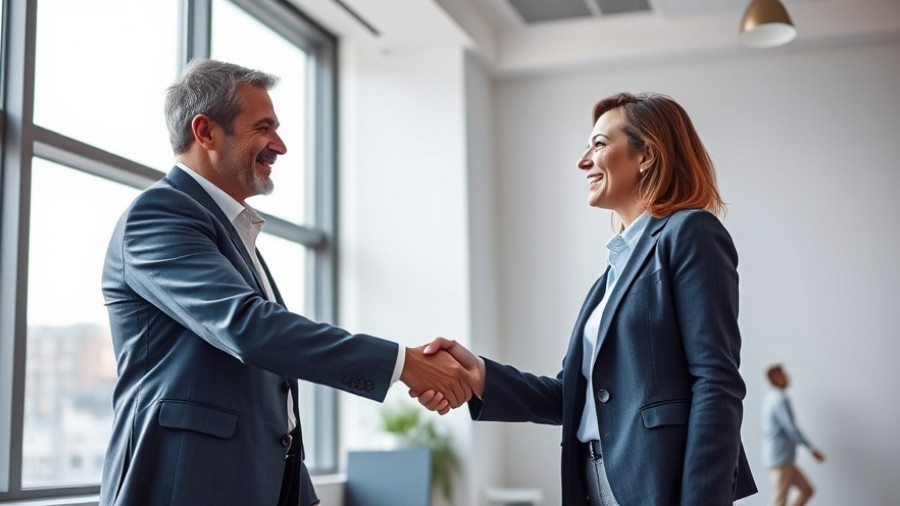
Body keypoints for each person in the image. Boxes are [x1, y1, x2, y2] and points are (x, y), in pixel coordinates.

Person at [98, 59, 472, 506]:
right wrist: (400, 363)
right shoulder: (159, 215)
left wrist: (300, 492)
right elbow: (250, 329)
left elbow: (268, 390)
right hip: (182, 484)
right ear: (206, 132)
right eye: (263, 127)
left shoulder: (231, 231)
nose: (280, 145)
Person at [414, 92, 757, 504]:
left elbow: (716, 381)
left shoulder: (690, 232)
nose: (583, 161)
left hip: (658, 482)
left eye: (598, 144)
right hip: (593, 481)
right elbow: (573, 396)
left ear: (646, 154)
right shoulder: (611, 276)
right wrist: (479, 377)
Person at [762, 364, 825, 506]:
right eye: (784, 374)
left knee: (807, 490)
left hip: (785, 459)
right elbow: (791, 428)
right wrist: (811, 449)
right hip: (780, 458)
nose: (788, 377)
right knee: (779, 500)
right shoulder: (779, 399)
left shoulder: (772, 397)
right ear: (776, 378)